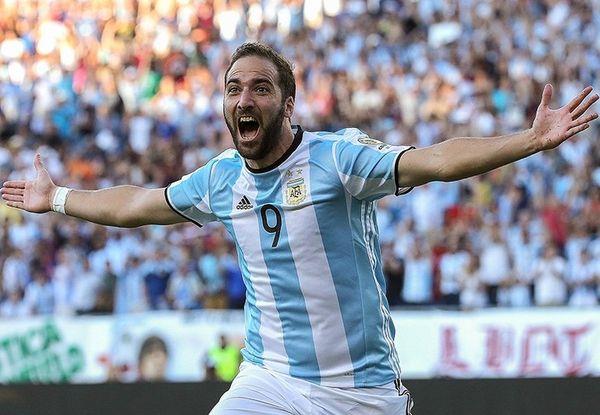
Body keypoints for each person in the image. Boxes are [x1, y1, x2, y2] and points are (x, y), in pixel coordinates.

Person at [1, 42, 598, 414]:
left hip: (360, 392)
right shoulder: (221, 179)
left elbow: (435, 161)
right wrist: (59, 199)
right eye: (234, 89)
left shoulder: (337, 160)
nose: (244, 99)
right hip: (270, 381)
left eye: (260, 88)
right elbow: (138, 204)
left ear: (288, 106)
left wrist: (528, 140)